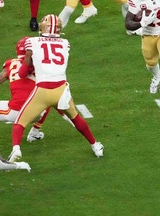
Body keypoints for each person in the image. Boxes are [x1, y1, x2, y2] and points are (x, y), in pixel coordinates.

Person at [8, 14, 104, 162]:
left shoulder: (31, 42)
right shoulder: (66, 43)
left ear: (43, 26)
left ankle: (16, 150)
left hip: (42, 90)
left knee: (19, 123)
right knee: (76, 117)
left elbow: (22, 72)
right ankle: (95, 145)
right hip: (61, 90)